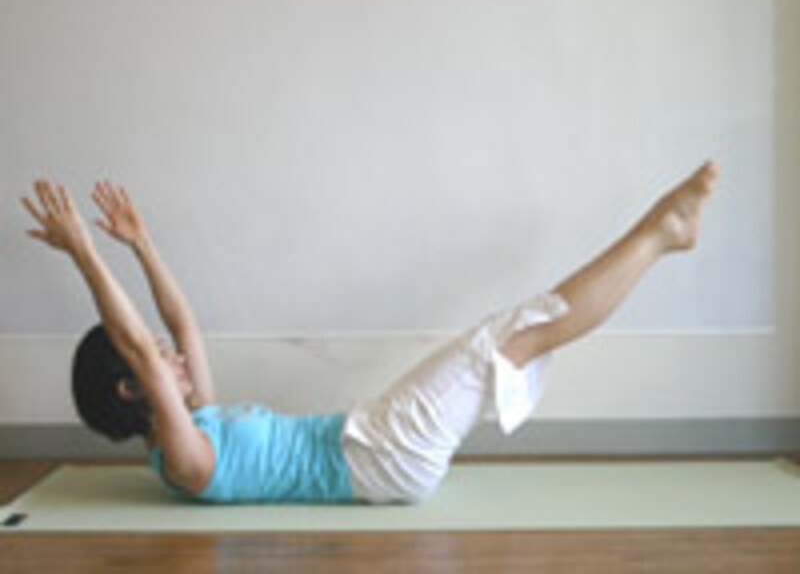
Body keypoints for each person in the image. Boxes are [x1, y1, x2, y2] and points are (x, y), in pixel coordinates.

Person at [20, 161, 718, 504]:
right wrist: (84, 253)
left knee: (512, 335)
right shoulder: (185, 462)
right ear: (130, 388)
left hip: (372, 438)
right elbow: (143, 347)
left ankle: (659, 234)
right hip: (382, 458)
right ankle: (660, 234)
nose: (173, 357)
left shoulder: (200, 423)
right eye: (155, 361)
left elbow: (184, 323)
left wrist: (141, 244)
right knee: (511, 335)